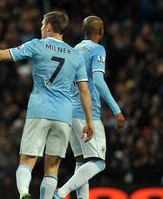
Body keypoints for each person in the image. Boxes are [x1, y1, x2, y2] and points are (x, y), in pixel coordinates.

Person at [0, 11, 95, 199]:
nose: (41, 27)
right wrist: (89, 121)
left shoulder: (36, 45)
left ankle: (24, 192)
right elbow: (84, 91)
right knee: (52, 167)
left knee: (27, 161)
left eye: (43, 24)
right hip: (64, 115)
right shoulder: (75, 55)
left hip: (39, 110)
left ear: (49, 26)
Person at [53, 16, 126, 199]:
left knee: (81, 161)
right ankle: (62, 192)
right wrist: (116, 110)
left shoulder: (73, 50)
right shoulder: (98, 49)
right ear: (101, 31)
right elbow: (99, 82)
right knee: (99, 162)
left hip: (69, 111)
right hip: (87, 113)